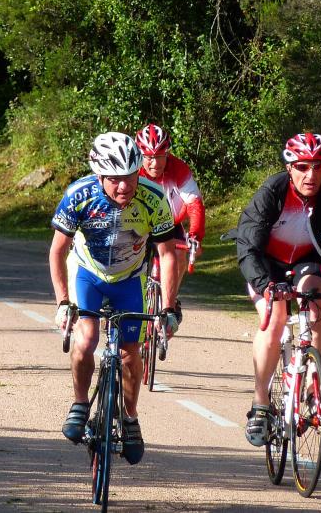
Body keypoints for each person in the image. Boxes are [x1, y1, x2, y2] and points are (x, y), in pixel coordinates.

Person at [50, 131, 180, 465]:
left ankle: (131, 417)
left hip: (129, 279)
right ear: (99, 176)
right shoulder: (79, 195)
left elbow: (167, 255)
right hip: (88, 273)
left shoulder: (153, 198)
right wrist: (63, 301)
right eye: (114, 180)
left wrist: (168, 306)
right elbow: (57, 250)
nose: (124, 187)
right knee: (87, 338)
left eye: (130, 178)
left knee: (128, 353)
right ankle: (80, 403)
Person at [236, 132, 321, 447]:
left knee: (314, 304)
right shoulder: (272, 192)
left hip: (308, 262)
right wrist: (265, 284)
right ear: (290, 168)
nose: (311, 175)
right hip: (267, 265)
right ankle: (260, 405)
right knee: (277, 317)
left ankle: (312, 387)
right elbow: (249, 245)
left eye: (318, 168)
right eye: (303, 167)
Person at [135, 123, 206, 332]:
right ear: (140, 156)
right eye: (148, 157)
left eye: (160, 156)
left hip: (170, 224)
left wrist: (195, 236)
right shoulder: (134, 170)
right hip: (139, 225)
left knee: (180, 254)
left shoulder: (179, 169)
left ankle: (171, 303)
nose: (154, 163)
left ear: (168, 153)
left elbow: (195, 205)